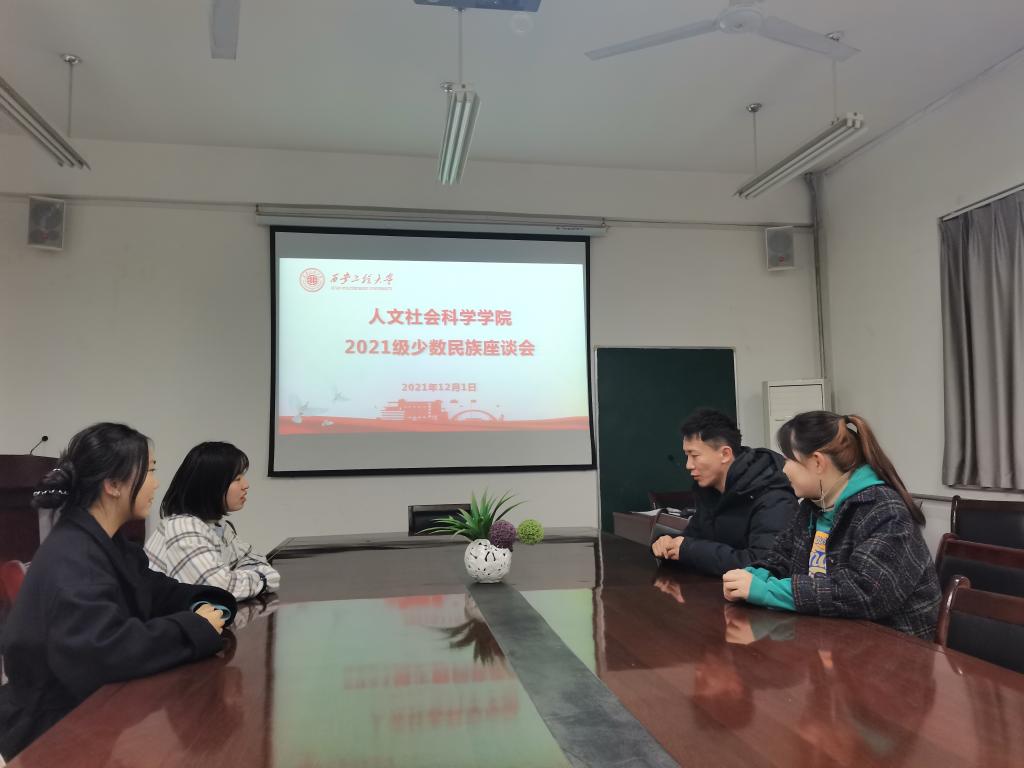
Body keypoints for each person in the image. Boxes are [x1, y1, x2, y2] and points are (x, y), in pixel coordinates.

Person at [0, 423, 235, 762]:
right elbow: (105, 652)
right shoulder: (75, 558)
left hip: (84, 711)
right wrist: (195, 628)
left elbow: (153, 589)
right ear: (112, 484)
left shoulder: (104, 541)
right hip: (49, 734)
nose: (155, 483)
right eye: (150, 471)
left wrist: (206, 600)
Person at [721, 411, 941, 639]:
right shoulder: (813, 506)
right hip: (832, 638)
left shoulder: (885, 510)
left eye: (789, 459)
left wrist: (767, 591)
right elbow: (783, 556)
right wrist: (756, 575)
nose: (784, 469)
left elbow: (864, 593)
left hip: (894, 647)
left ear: (817, 462)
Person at [651, 408, 798, 576]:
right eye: (687, 456)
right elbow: (691, 541)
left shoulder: (774, 498)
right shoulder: (709, 491)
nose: (688, 465)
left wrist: (687, 549)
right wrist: (666, 544)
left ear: (725, 454)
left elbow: (765, 565)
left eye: (694, 455)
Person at [145, 442, 280, 601]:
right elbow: (218, 589)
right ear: (211, 485)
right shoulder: (183, 528)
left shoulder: (217, 525)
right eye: (237, 479)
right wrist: (263, 579)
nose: (246, 485)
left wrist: (240, 576)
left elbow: (254, 560)